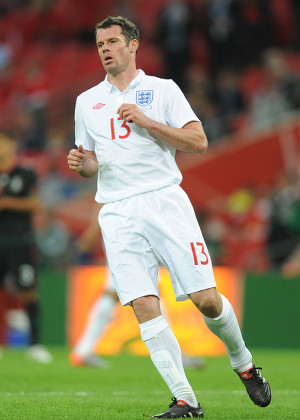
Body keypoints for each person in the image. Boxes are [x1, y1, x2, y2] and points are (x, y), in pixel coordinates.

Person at [67, 16, 271, 418]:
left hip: (164, 202)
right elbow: (93, 164)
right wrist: (82, 163)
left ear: (133, 44)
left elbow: (198, 141)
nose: (105, 49)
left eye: (112, 41)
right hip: (117, 211)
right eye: (99, 44)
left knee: (206, 300)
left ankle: (243, 363)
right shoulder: (86, 101)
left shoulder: (162, 90)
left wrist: (148, 123)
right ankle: (185, 399)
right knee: (144, 305)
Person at [69, 203, 205, 370]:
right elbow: (104, 194)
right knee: (147, 290)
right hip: (131, 228)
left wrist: (94, 228)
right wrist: (93, 229)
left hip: (124, 227)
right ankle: (172, 353)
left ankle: (83, 351)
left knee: (114, 292)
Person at [0, 129, 53, 364]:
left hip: (20, 242)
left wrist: (7, 202)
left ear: (11, 145)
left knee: (27, 291)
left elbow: (37, 204)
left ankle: (35, 344)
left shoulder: (25, 173)